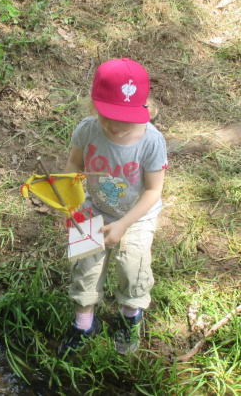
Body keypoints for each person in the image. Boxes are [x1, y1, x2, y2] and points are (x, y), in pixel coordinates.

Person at [57, 58, 167, 357]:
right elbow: (75, 165)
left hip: (137, 215)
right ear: (94, 106)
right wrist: (72, 201)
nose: (116, 125)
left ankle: (130, 318)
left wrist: (123, 224)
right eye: (108, 116)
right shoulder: (88, 130)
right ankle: (83, 323)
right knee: (86, 265)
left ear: (145, 110)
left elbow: (154, 190)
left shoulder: (151, 142)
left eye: (125, 117)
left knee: (133, 267)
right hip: (94, 205)